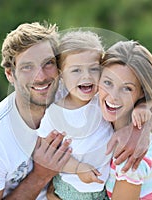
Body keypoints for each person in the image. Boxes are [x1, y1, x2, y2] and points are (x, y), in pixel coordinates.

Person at [0, 22, 152, 200]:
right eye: (27, 67)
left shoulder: (77, 88)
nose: (40, 77)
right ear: (10, 74)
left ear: (59, 68)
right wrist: (41, 175)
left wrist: (139, 128)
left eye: (48, 63)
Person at [36, 30, 112, 199]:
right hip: (71, 191)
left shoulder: (104, 100)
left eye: (93, 69)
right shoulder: (55, 113)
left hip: (105, 188)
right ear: (61, 75)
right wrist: (78, 168)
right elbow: (43, 153)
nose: (86, 76)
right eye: (76, 70)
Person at [99, 40, 152, 199]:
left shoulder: (131, 156)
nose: (113, 96)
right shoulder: (147, 112)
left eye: (127, 88)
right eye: (107, 82)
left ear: (142, 92)